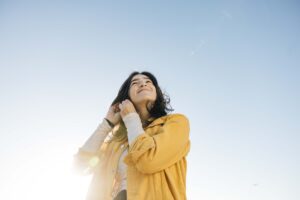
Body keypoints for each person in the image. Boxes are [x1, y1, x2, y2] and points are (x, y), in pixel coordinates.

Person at [73, 71, 191, 200]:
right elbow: (81, 165)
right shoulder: (116, 143)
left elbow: (148, 160)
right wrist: (107, 124)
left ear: (156, 92)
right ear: (126, 96)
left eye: (148, 82)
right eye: (135, 83)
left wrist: (131, 117)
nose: (143, 84)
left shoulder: (176, 123)